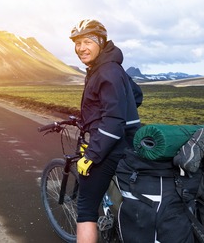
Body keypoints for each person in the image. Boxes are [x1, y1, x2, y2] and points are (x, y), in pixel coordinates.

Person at [70, 19, 143, 242]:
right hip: (127, 142)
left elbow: (112, 120)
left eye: (87, 42)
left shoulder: (106, 71)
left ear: (100, 42)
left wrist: (92, 155)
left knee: (85, 208)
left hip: (113, 147)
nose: (81, 48)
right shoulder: (111, 66)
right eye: (77, 43)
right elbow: (136, 95)